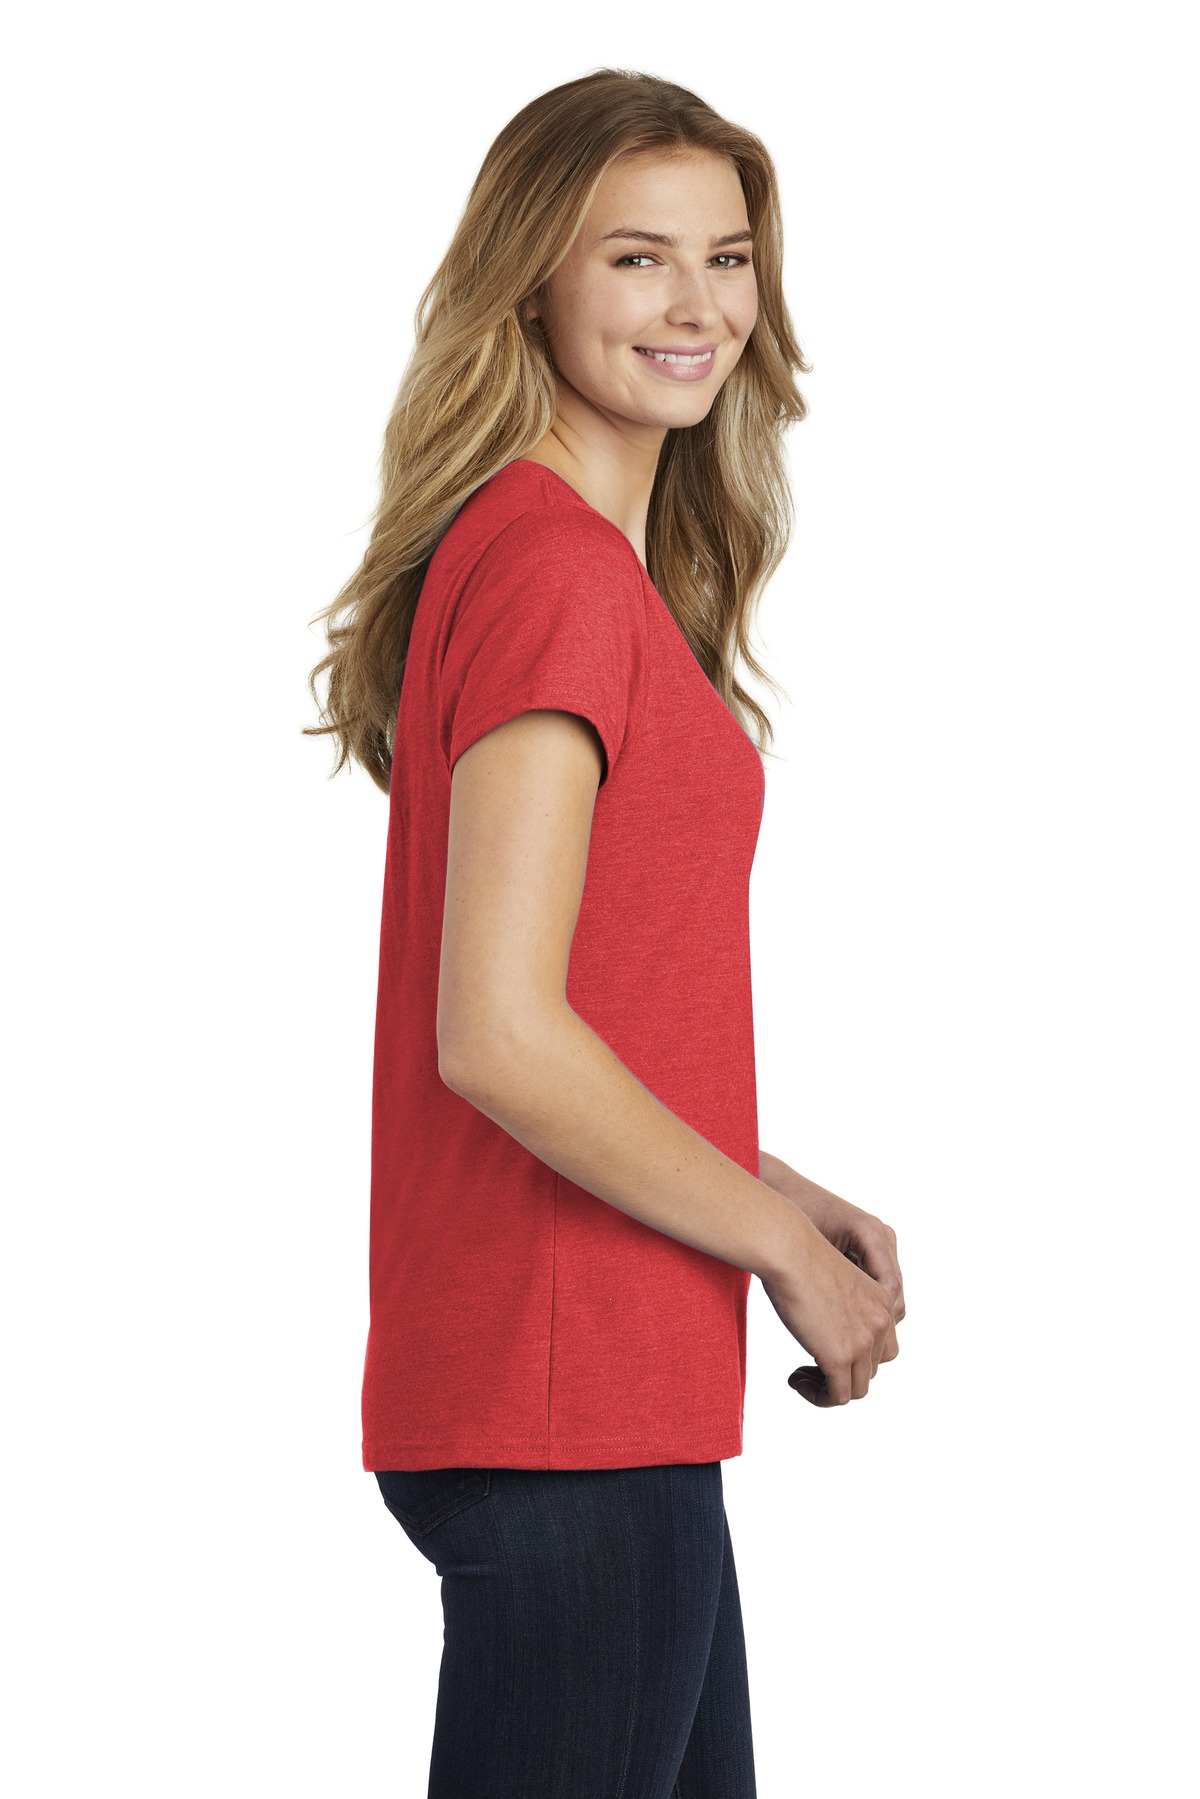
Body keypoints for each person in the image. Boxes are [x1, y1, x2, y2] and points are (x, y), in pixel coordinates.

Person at [306, 66, 905, 1799]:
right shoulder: (554, 569)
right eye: (636, 258)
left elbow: (583, 1006)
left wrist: (768, 1182)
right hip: (566, 1400)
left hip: (601, 1394)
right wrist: (779, 1252)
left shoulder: (556, 562)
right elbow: (496, 1033)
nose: (697, 304)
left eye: (728, 257)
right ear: (533, 281)